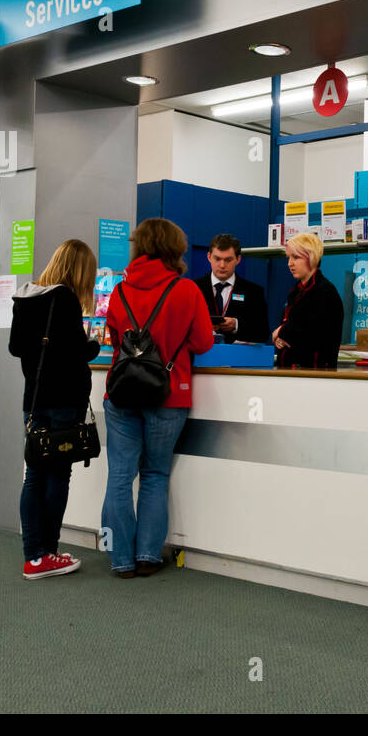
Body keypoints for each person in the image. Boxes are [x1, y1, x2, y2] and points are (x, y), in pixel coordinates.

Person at [102, 218, 214, 578]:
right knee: (154, 474)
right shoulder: (186, 291)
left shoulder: (119, 291)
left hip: (120, 394)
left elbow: (117, 340)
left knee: (119, 476)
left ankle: (120, 559)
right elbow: (203, 342)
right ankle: (148, 556)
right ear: (175, 249)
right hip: (168, 394)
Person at [9, 240, 100, 580]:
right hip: (65, 400)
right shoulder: (65, 299)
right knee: (59, 476)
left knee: (33, 476)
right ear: (79, 270)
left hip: (33, 400)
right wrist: (93, 345)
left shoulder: (25, 297)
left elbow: (15, 347)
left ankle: (33, 555)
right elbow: (77, 351)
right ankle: (49, 552)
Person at [272, 232, 343, 370]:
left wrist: (281, 332)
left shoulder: (325, 291)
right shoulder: (296, 290)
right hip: (289, 371)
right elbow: (290, 325)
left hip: (314, 374)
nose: (289, 263)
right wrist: (281, 336)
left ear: (311, 258)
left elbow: (312, 334)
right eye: (288, 257)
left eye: (296, 257)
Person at [193, 233, 270, 343]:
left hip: (237, 358)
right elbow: (180, 327)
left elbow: (263, 333)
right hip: (200, 356)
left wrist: (236, 325)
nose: (222, 265)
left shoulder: (254, 292)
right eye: (217, 259)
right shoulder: (194, 288)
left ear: (238, 259)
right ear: (209, 257)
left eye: (228, 260)